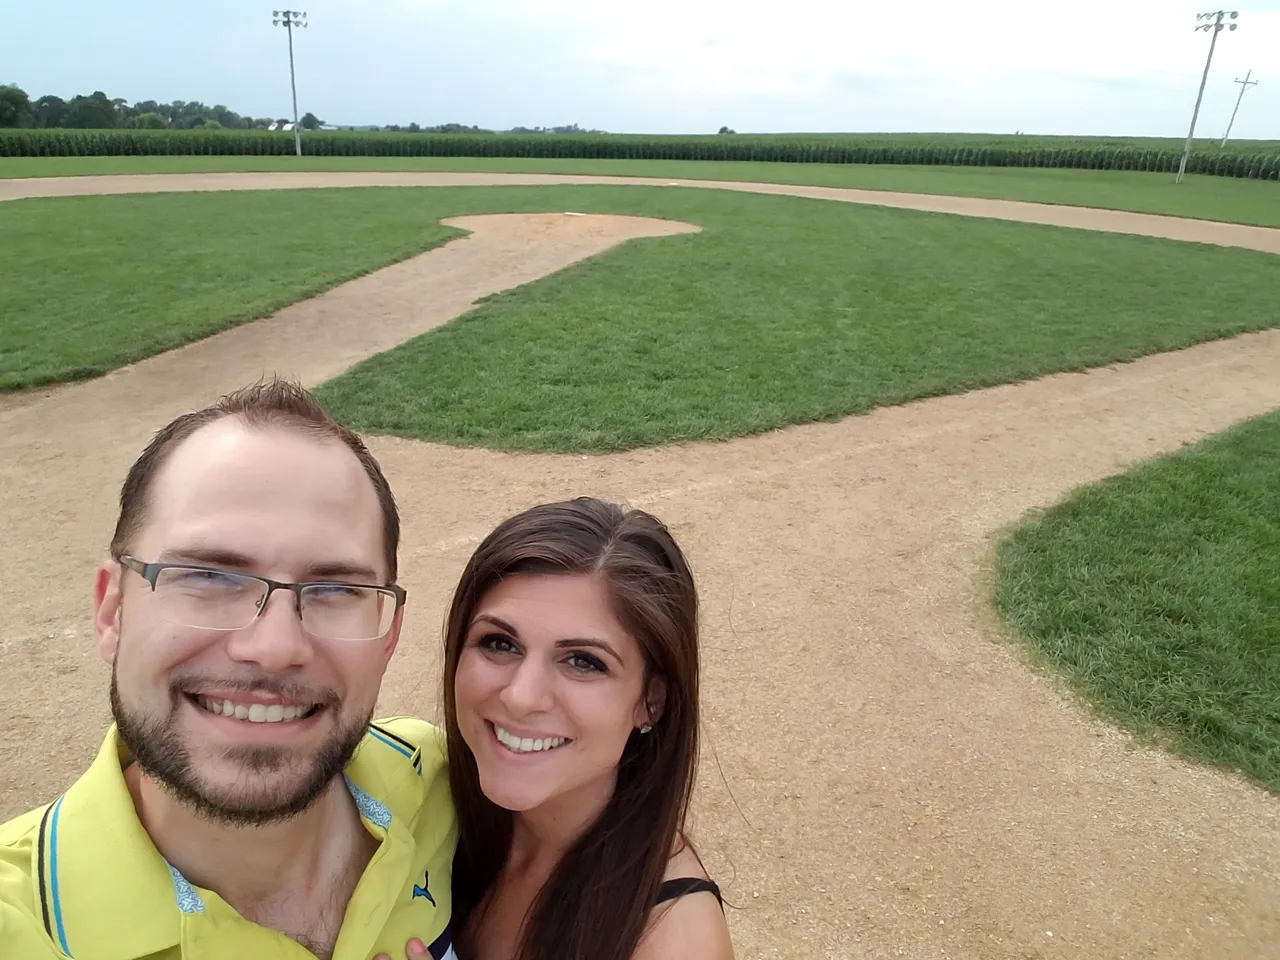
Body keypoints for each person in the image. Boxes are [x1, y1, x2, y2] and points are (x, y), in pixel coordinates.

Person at [0, 378, 458, 960]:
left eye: (336, 588)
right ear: (112, 610)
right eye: (209, 577)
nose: (273, 647)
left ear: (389, 633)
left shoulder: (439, 783)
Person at [381, 497, 734, 960]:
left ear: (652, 702)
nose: (521, 696)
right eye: (499, 643)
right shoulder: (428, 805)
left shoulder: (673, 941)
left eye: (583, 661)